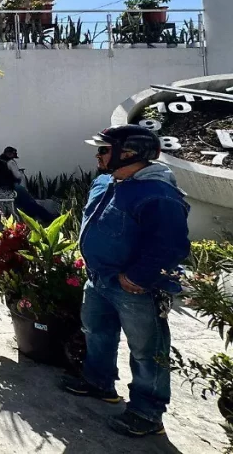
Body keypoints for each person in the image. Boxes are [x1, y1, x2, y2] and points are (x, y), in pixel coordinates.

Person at [62, 125, 190, 438]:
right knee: (97, 332)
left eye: (104, 150)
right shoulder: (105, 181)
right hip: (100, 280)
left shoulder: (158, 194)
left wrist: (138, 276)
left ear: (130, 153)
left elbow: (171, 245)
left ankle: (147, 413)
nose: (98, 155)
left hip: (136, 289)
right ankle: (98, 382)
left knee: (147, 351)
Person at [0, 146, 52, 223]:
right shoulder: (10, 162)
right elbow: (17, 175)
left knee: (24, 202)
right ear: (10, 154)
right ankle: (48, 217)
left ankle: (34, 215)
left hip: (0, 188)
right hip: (13, 187)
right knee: (29, 201)